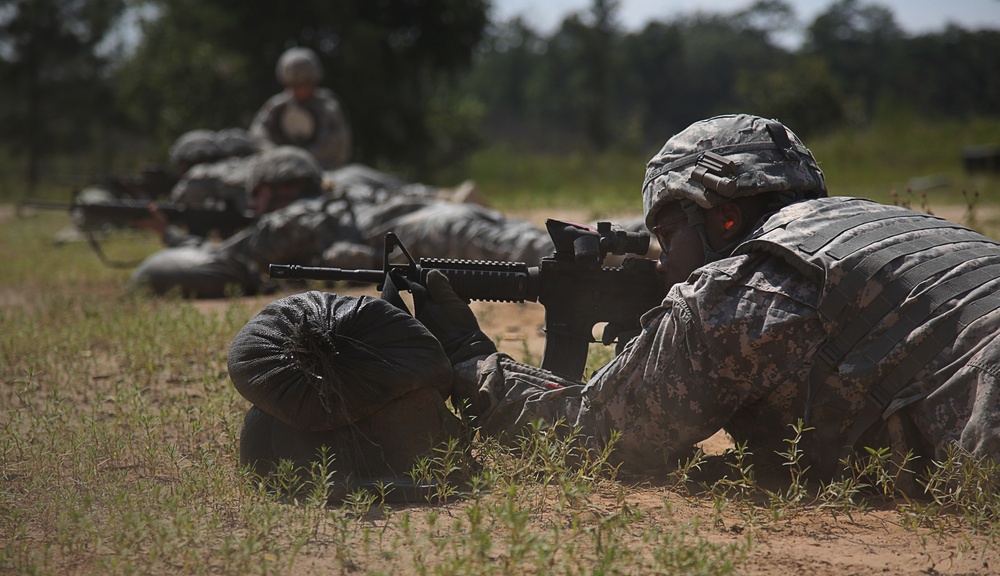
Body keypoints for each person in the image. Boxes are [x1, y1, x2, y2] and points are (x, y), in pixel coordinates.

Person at [418, 113, 1000, 487]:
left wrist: (471, 357)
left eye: (668, 237)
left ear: (724, 219)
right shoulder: (893, 224)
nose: (664, 264)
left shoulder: (737, 291)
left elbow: (591, 437)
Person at [128, 146, 555, 298]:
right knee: (553, 242)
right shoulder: (342, 195)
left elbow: (225, 261)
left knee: (546, 254)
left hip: (434, 231)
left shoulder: (296, 218)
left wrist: (167, 233)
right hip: (444, 220)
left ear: (267, 191)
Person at [250, 47, 352, 170]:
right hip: (280, 166)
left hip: (323, 168)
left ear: (314, 80)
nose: (301, 90)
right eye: (295, 85)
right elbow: (258, 131)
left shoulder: (327, 107)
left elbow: (334, 143)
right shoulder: (277, 105)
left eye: (305, 83)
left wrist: (301, 157)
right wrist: (274, 153)